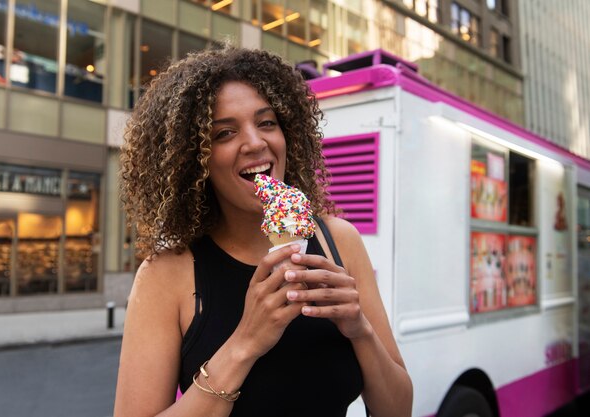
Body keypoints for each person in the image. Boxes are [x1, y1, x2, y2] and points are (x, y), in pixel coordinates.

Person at [114, 46, 412, 417]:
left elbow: (398, 410)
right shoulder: (166, 273)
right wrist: (246, 342)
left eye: (267, 122)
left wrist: (359, 329)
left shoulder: (339, 241)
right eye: (224, 133)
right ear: (196, 161)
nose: (255, 142)